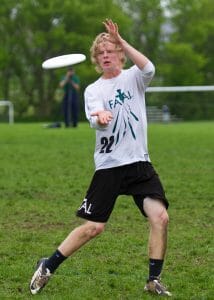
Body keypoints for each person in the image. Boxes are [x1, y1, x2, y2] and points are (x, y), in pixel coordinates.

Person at [30, 19, 171, 297]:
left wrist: (121, 39)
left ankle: (153, 280)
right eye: (100, 53)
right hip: (110, 167)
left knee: (160, 217)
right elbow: (96, 117)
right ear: (96, 59)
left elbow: (149, 67)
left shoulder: (133, 77)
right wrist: (101, 116)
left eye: (110, 50)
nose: (105, 55)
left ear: (120, 53)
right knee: (94, 227)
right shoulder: (93, 90)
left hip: (139, 163)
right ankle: (48, 265)